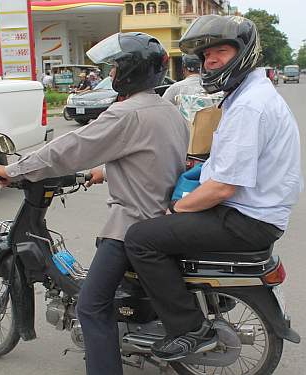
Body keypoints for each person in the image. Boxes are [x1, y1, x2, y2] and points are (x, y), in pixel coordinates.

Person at [0, 32, 189, 375]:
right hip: (163, 217)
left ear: (130, 71)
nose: (110, 75)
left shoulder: (125, 114)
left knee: (91, 306)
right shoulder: (168, 110)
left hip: (132, 225)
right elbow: (151, 159)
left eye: (114, 68)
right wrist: (105, 170)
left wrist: (14, 170)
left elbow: (68, 149)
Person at [124, 14, 303, 361]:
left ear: (244, 52)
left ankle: (189, 330)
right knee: (166, 229)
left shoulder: (249, 105)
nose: (211, 61)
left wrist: (176, 208)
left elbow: (223, 188)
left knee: (141, 238)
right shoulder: (248, 93)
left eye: (220, 51)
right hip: (254, 211)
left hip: (247, 220)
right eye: (206, 56)